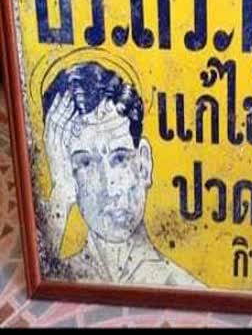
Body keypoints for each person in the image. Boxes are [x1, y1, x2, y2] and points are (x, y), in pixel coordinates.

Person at [40, 61, 204, 287]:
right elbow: (39, 278)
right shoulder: (59, 276)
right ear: (67, 172)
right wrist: (60, 192)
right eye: (85, 163)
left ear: (143, 164)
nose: (110, 189)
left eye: (119, 159)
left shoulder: (186, 288)